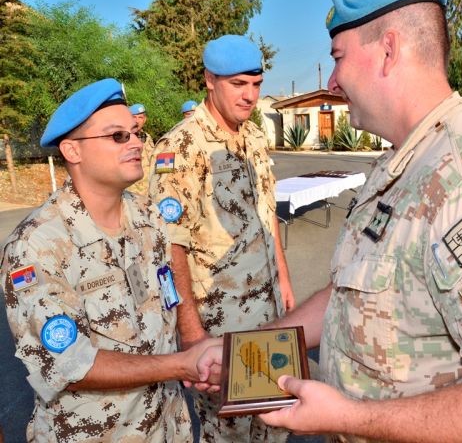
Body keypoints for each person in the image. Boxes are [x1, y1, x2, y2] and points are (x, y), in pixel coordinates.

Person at [198, 0, 462, 442]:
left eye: (338, 58)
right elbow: (352, 293)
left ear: (389, 50)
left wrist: (347, 417)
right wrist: (242, 353)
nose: (332, 81)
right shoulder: (404, 161)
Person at [0, 78, 220, 442]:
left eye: (135, 132)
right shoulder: (36, 246)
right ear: (72, 150)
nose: (136, 142)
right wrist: (181, 364)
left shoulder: (149, 218)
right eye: (117, 136)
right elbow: (70, 363)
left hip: (168, 427)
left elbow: (167, 298)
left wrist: (193, 348)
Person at [148, 35, 293, 442]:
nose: (250, 96)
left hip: (268, 315)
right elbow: (169, 246)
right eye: (238, 84)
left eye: (256, 84)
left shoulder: (254, 137)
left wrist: (283, 279)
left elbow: (267, 212)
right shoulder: (181, 147)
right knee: (229, 432)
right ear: (210, 80)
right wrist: (192, 334)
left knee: (276, 422)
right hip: (220, 325)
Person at [127, 103, 155, 194]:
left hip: (147, 190)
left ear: (145, 119)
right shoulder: (123, 138)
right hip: (130, 191)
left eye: (140, 117)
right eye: (134, 117)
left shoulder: (147, 137)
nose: (137, 121)